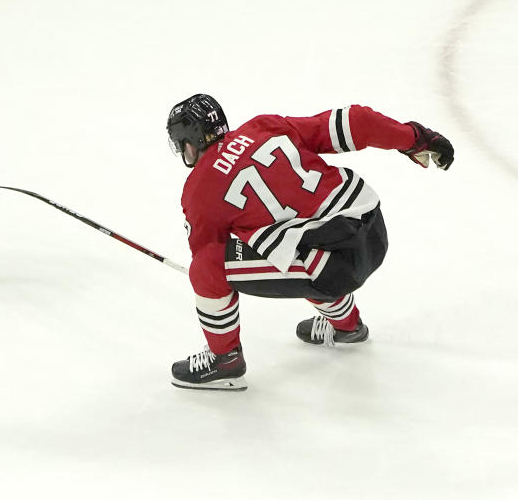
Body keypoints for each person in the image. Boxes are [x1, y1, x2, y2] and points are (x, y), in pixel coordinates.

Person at [165, 94, 453, 391]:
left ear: (189, 143)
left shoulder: (199, 189)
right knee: (287, 240)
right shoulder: (262, 126)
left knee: (209, 266)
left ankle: (224, 362)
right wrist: (412, 137)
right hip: (373, 228)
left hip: (333, 266)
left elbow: (208, 255)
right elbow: (357, 122)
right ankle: (347, 327)